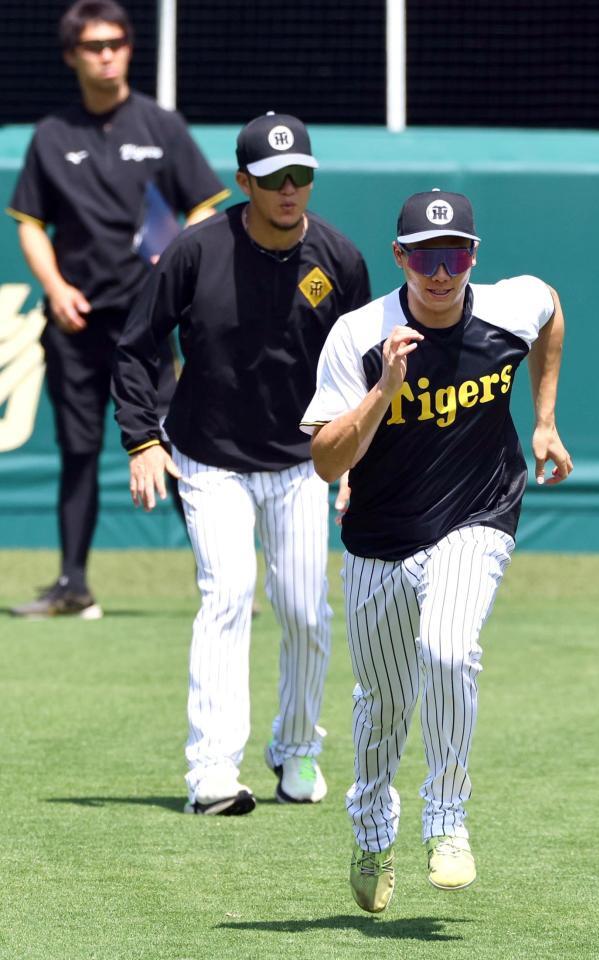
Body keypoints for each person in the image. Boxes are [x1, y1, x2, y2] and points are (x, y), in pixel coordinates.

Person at [302, 189, 573, 912]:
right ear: (401, 258)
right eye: (426, 257)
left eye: (454, 256)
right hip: (381, 539)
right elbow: (328, 463)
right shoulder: (360, 336)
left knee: (450, 650)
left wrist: (544, 420)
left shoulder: (507, 306)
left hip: (477, 515)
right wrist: (385, 387)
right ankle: (371, 832)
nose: (441, 273)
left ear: (473, 257)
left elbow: (549, 307)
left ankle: (448, 821)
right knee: (383, 705)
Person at [111, 112, 371, 815]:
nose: (290, 190)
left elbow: (363, 371)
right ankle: (213, 773)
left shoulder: (340, 261)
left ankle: (297, 751)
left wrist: (354, 463)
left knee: (305, 613)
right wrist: (143, 440)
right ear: (243, 183)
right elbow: (136, 346)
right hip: (210, 456)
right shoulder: (195, 252)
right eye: (273, 179)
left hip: (299, 460)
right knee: (226, 595)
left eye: (301, 177)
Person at [6, 0, 229, 620]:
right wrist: (54, 287)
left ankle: (223, 580)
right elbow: (28, 222)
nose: (107, 53)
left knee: (175, 443)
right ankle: (73, 585)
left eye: (117, 42)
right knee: (77, 450)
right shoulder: (53, 136)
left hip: (149, 326)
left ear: (130, 48)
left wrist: (176, 267)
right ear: (72, 55)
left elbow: (205, 206)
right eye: (94, 45)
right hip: (76, 325)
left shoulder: (160, 126)